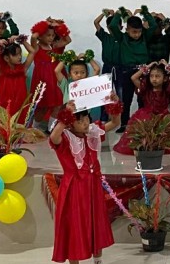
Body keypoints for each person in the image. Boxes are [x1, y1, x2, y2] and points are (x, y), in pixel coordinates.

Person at [49, 99, 121, 264]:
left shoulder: (92, 132)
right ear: (69, 123)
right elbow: (54, 136)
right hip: (75, 188)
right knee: (75, 226)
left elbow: (115, 123)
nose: (85, 123)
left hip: (93, 185)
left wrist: (114, 104)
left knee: (96, 222)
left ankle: (98, 260)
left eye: (86, 118)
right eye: (79, 121)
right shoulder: (64, 138)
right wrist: (66, 114)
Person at [113, 61, 170, 155]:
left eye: (157, 76)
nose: (154, 79)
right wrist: (147, 67)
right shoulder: (146, 89)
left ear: (165, 78)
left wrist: (168, 66)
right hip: (146, 116)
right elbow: (133, 78)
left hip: (163, 117)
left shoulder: (168, 90)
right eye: (151, 76)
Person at [109, 7, 157, 132]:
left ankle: (144, 123)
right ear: (127, 29)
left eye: (139, 31)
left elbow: (153, 25)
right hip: (127, 71)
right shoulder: (122, 37)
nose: (137, 34)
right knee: (126, 99)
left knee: (143, 98)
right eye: (133, 32)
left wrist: (145, 12)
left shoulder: (144, 37)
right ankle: (124, 124)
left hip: (143, 71)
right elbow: (113, 26)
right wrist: (119, 13)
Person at [30, 18, 72, 131]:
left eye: (53, 35)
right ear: (40, 36)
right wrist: (45, 24)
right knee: (42, 106)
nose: (51, 38)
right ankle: (35, 127)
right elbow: (33, 37)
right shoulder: (36, 47)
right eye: (48, 35)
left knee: (59, 104)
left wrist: (58, 26)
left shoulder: (55, 46)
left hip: (57, 77)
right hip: (43, 79)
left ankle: (51, 128)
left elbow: (68, 40)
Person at [0, 36, 35, 119]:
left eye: (20, 54)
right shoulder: (1, 71)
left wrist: (21, 39)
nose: (20, 57)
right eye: (15, 55)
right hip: (4, 104)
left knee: (18, 121)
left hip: (19, 104)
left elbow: (32, 52)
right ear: (6, 58)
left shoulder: (22, 69)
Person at [93, 9, 119, 77]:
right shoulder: (105, 37)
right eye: (111, 27)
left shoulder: (124, 38)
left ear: (121, 27)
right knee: (106, 84)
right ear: (107, 27)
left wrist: (125, 14)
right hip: (107, 68)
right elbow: (96, 22)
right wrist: (104, 13)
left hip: (121, 68)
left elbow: (133, 27)